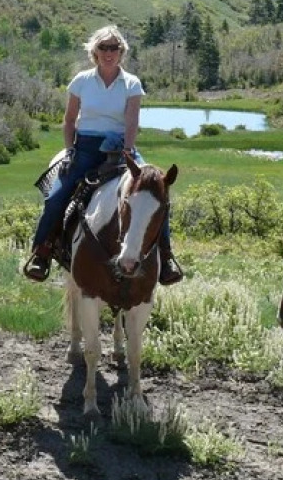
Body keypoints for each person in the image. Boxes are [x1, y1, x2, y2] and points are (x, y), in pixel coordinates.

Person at [23, 25, 183, 285]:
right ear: (94, 51)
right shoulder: (82, 81)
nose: (109, 52)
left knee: (157, 193)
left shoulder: (131, 83)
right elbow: (69, 120)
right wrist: (70, 150)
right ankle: (42, 252)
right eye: (103, 47)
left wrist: (129, 151)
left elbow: (132, 120)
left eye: (114, 48)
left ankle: (165, 258)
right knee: (55, 197)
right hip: (85, 147)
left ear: (122, 52)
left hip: (121, 148)